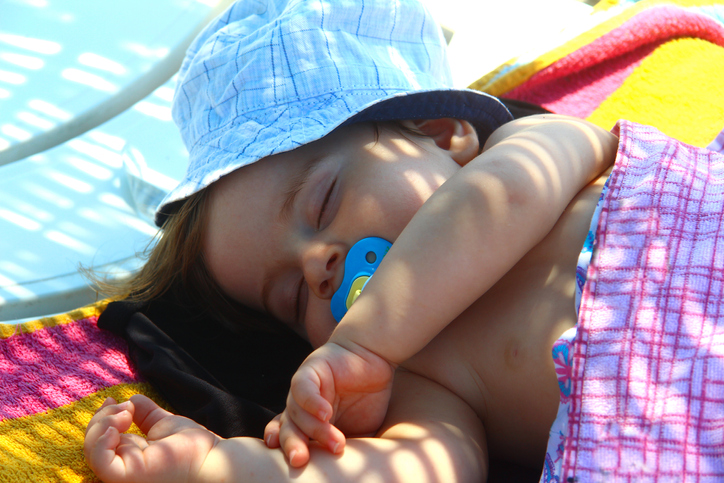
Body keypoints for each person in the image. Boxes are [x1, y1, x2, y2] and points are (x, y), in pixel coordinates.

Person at [83, 0, 618, 481]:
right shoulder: (421, 378)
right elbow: (419, 469)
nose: (317, 267)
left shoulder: (536, 148)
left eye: (323, 202)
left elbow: (508, 195)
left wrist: (366, 340)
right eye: (291, 298)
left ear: (441, 132)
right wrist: (215, 464)